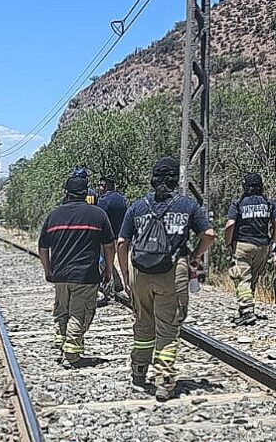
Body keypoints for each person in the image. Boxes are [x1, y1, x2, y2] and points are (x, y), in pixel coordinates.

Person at [118, 157, 215, 402]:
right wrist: (195, 256)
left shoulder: (138, 207)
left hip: (139, 271)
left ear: (153, 179)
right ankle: (164, 381)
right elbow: (209, 234)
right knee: (168, 328)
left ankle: (139, 370)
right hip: (173, 271)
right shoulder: (187, 205)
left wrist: (125, 274)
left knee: (143, 322)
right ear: (176, 179)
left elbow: (122, 243)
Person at [38, 177, 115, 368]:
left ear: (66, 193)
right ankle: (71, 354)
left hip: (61, 274)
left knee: (62, 310)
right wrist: (108, 269)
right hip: (86, 275)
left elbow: (43, 246)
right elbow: (109, 245)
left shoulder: (54, 215)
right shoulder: (98, 215)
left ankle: (62, 341)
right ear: (86, 194)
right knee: (79, 314)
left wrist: (48, 270)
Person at [224, 172, 276, 326]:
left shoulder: (239, 203)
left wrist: (228, 243)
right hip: (262, 245)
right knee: (252, 278)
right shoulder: (269, 203)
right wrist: (273, 240)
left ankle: (246, 311)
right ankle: (247, 308)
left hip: (243, 244)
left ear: (245, 187)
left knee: (241, 278)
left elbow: (230, 225)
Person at [96, 176, 127, 305]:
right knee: (113, 262)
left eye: (101, 185)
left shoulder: (103, 201)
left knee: (103, 261)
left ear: (106, 186)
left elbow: (100, 218)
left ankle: (106, 287)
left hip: (106, 237)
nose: (99, 188)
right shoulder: (122, 199)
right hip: (120, 236)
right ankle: (118, 284)